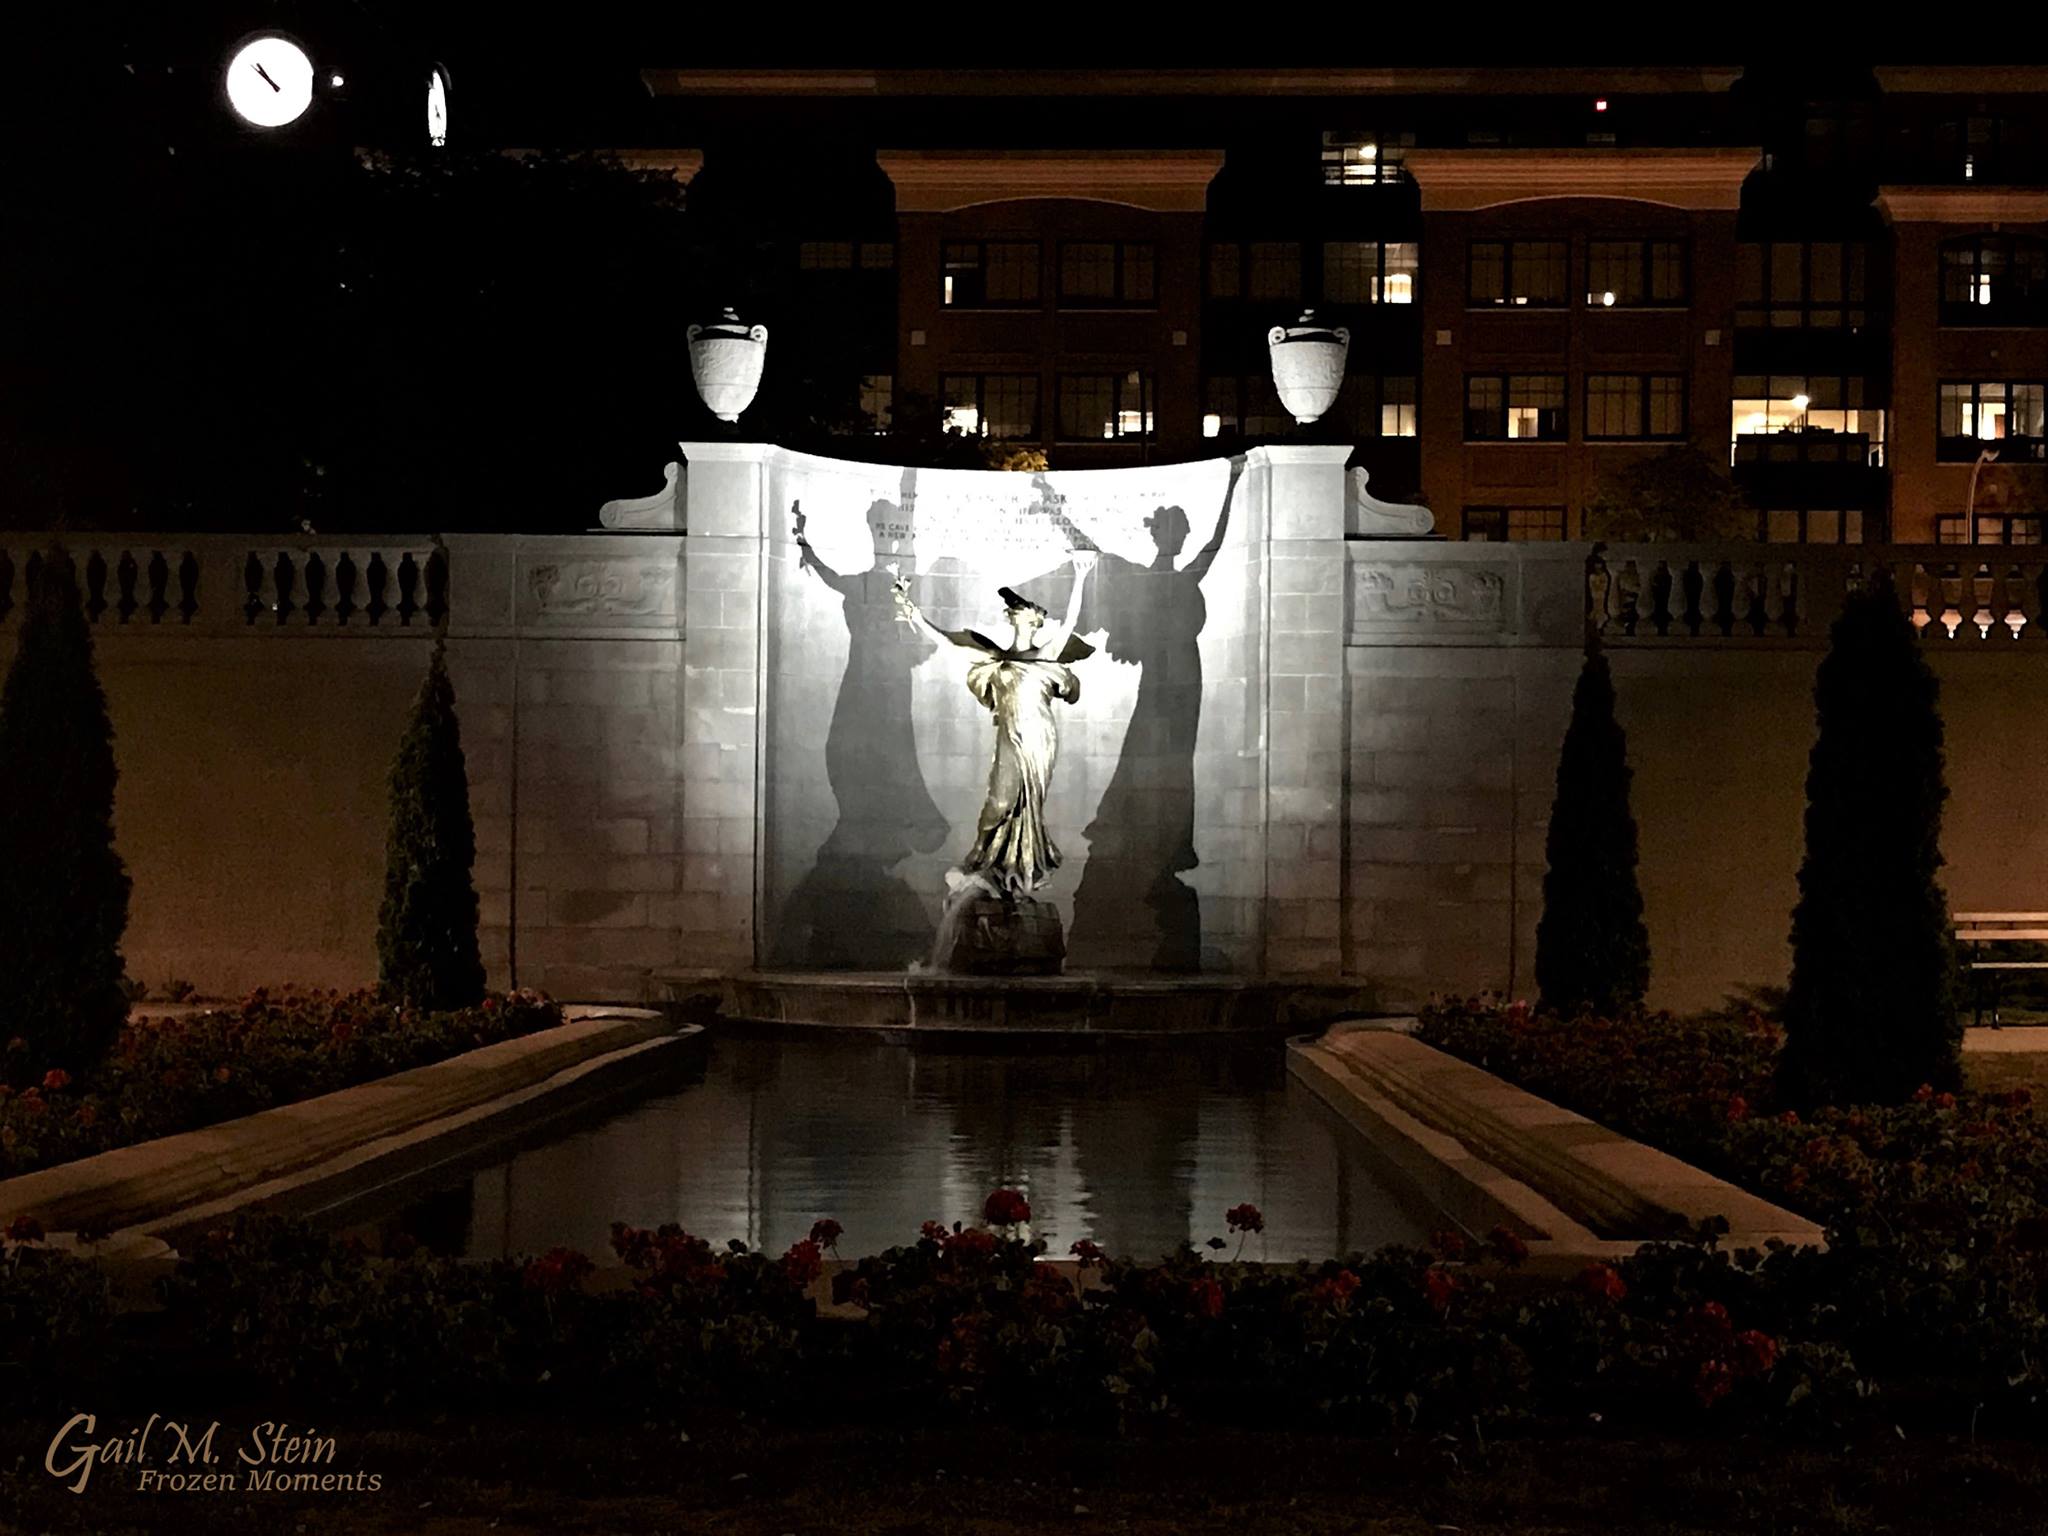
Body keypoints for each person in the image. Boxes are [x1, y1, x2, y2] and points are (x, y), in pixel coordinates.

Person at [893, 556, 1097, 898]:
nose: (1019, 616)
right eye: (1016, 613)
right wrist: (917, 617)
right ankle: (982, 858)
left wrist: (1081, 575)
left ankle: (1019, 867)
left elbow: (1071, 621)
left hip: (1039, 738)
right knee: (999, 800)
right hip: (1009, 735)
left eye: (1026, 613)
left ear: (1036, 622)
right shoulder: (995, 658)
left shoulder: (1047, 653)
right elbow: (952, 644)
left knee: (1028, 805)